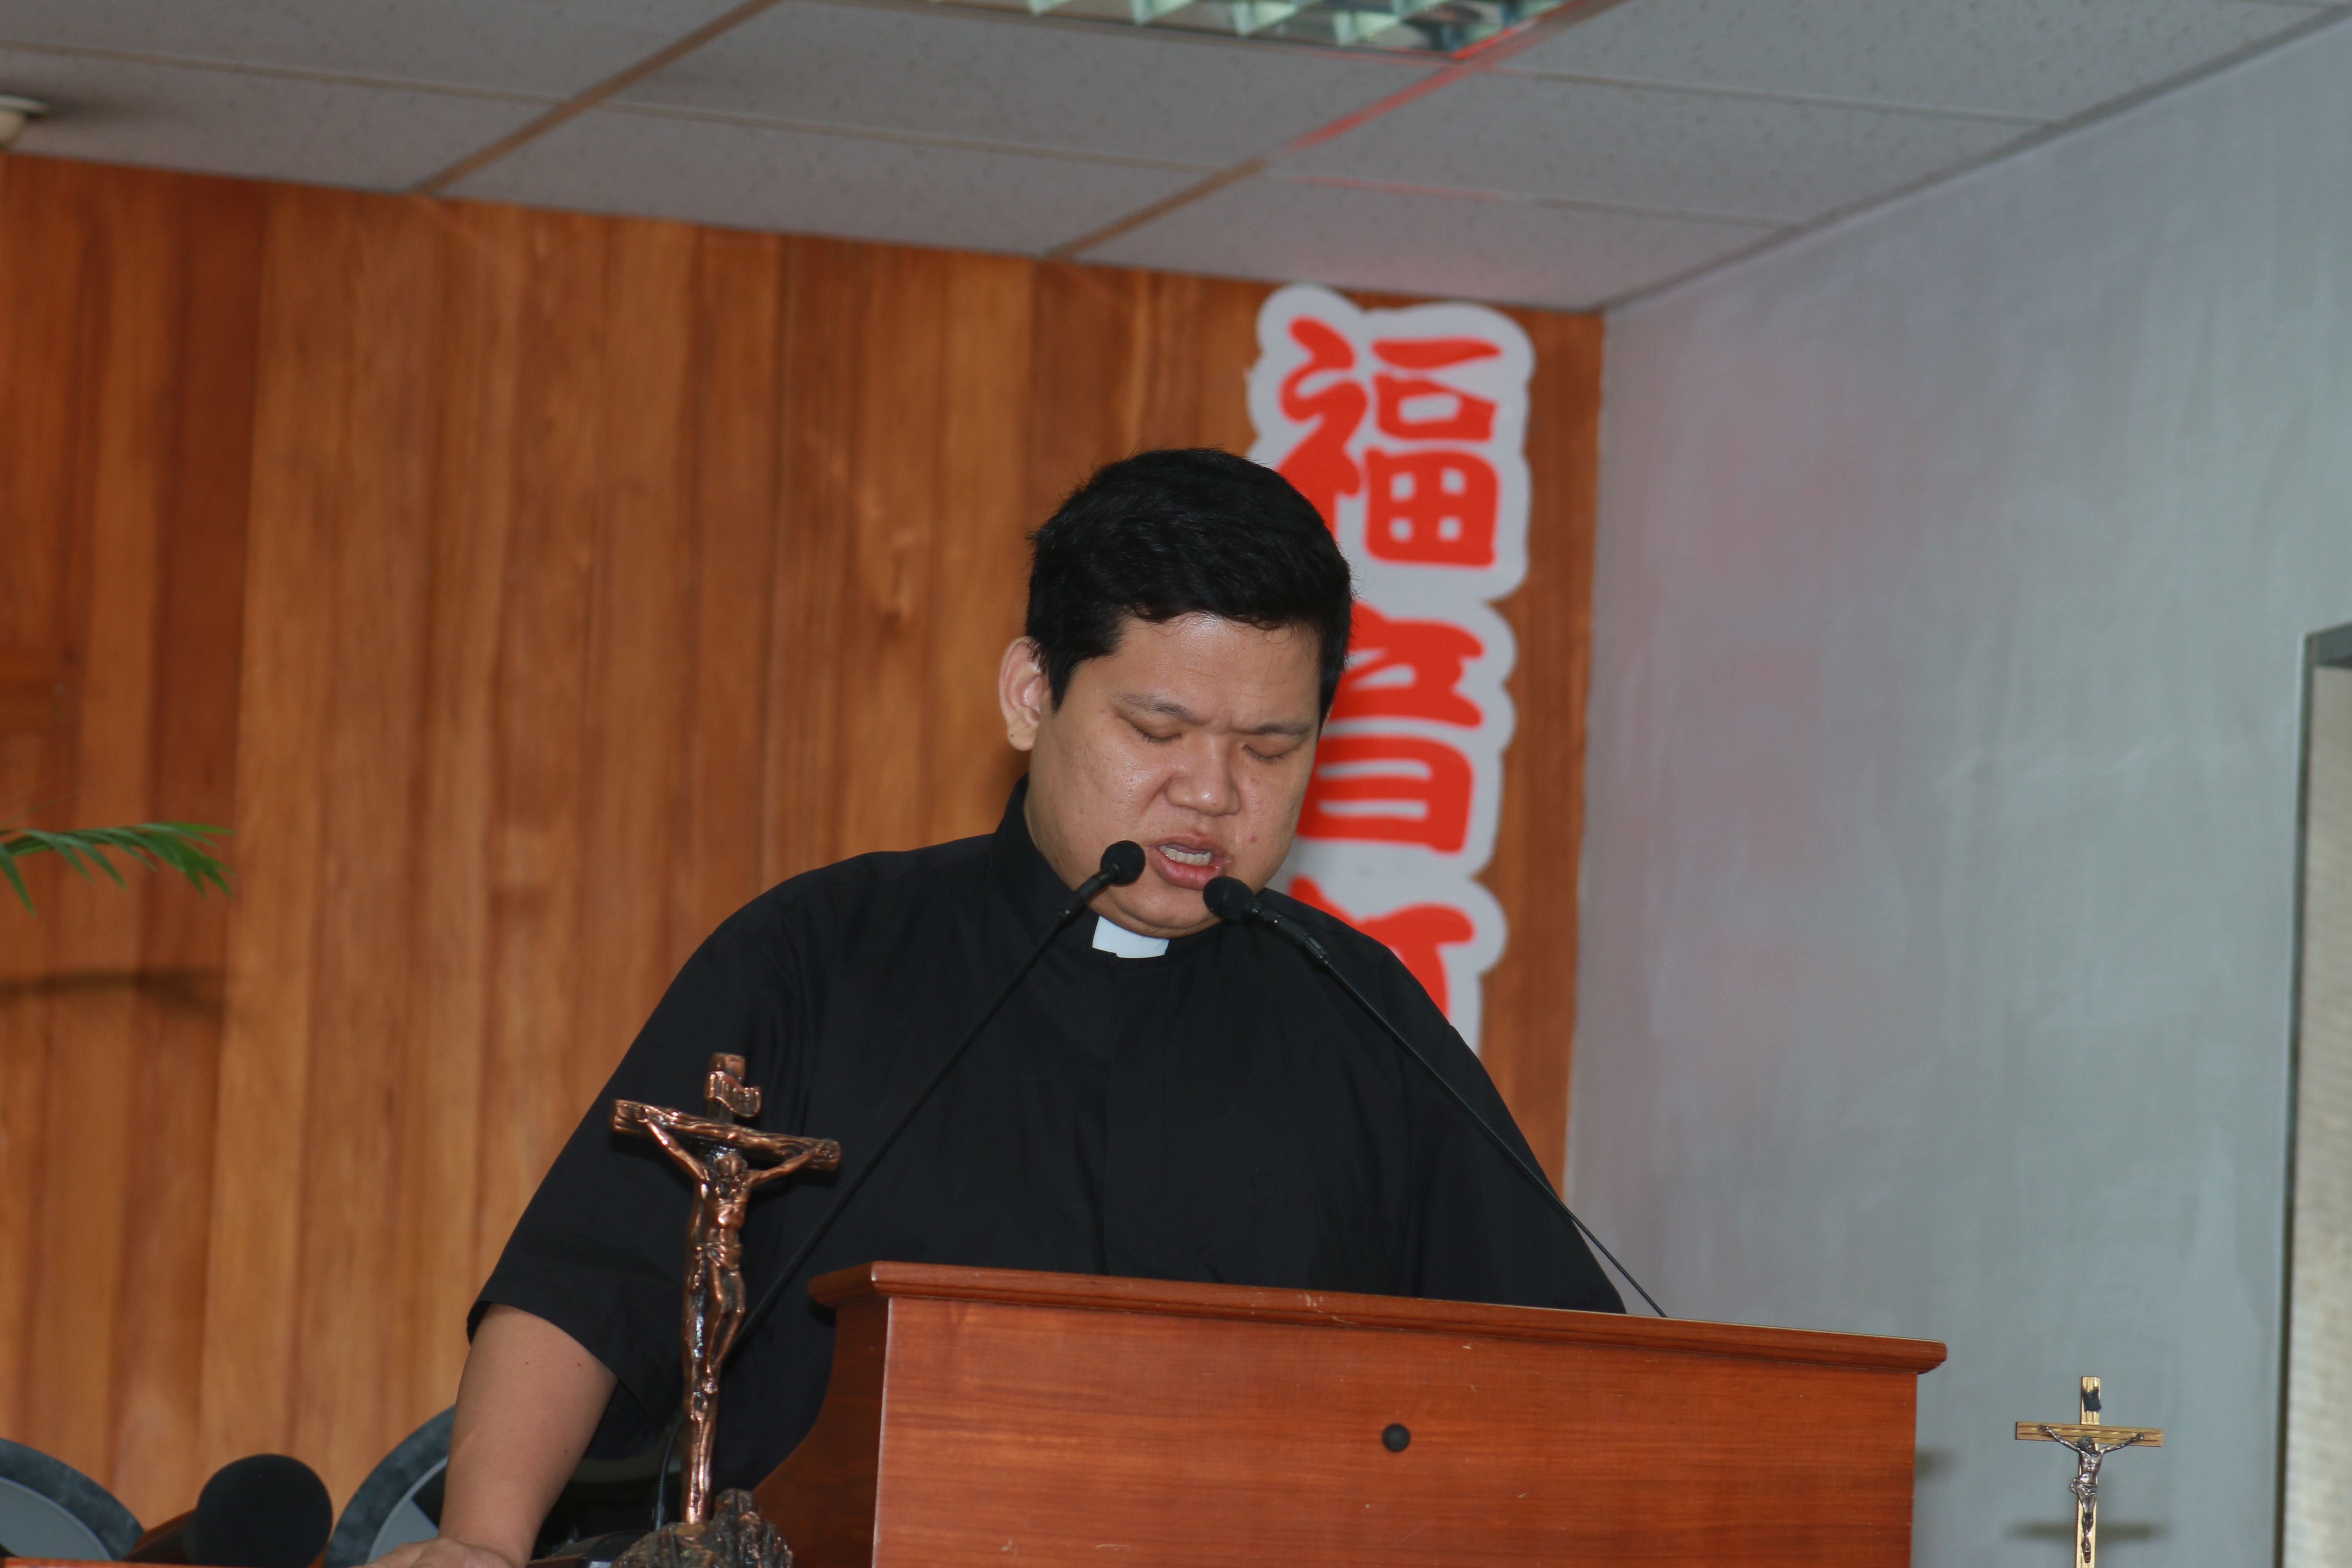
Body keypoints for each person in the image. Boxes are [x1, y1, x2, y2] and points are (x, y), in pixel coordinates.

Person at [379, 448, 1620, 1568]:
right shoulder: (824, 954)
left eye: (1271, 748)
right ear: (1033, 694)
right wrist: (483, 1539)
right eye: (1159, 728)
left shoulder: (1359, 1017)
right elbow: (587, 1286)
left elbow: (1574, 1378)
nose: (1212, 793)